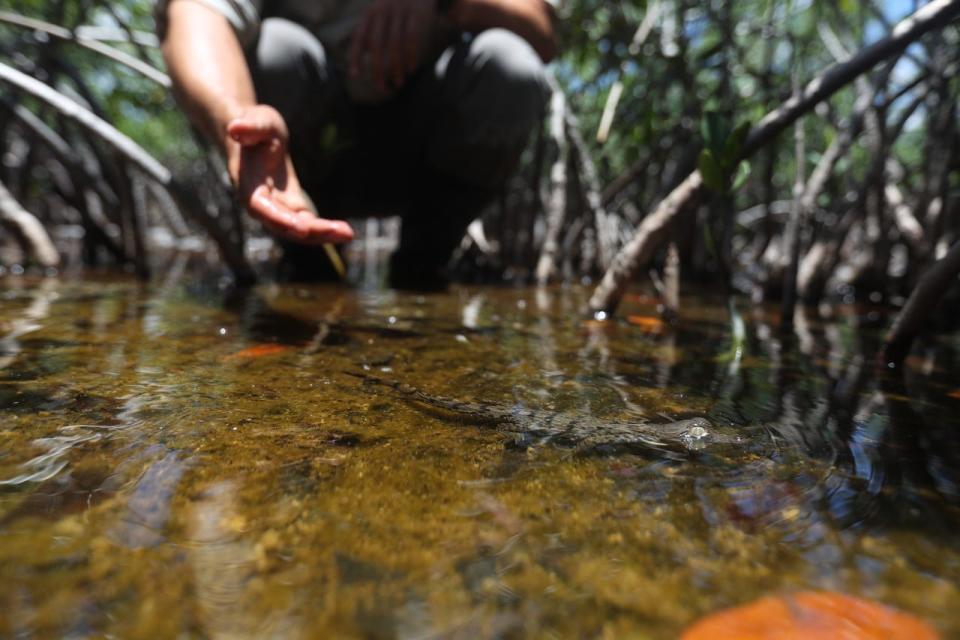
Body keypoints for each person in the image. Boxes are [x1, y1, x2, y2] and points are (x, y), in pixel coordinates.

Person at [157, 0, 558, 287]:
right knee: (276, 47)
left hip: (426, 141)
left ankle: (422, 263)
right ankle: (311, 262)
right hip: (313, 147)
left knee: (509, 60)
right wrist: (238, 116)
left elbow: (542, 30)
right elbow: (196, 11)